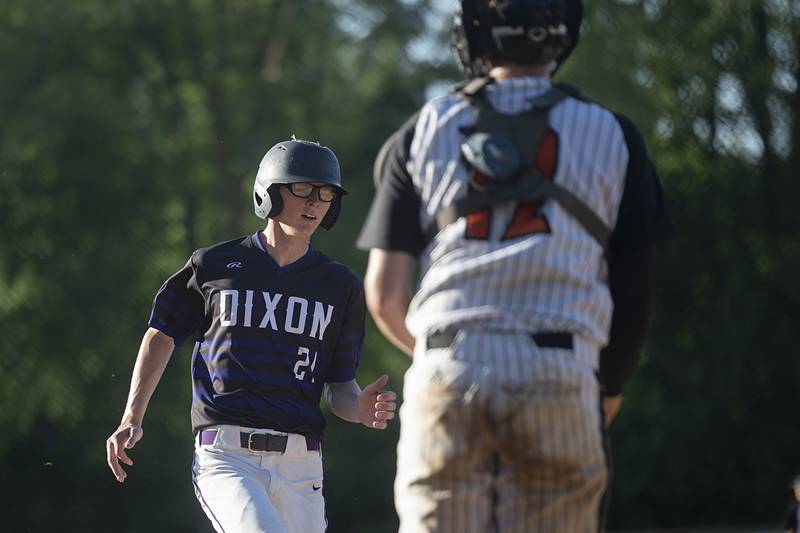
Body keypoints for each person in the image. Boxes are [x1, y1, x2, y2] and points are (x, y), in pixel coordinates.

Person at [357, 1, 674, 531]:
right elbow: (634, 293)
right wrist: (609, 386)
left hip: (448, 362)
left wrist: (455, 357)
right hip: (559, 365)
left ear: (476, 34)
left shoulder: (424, 127)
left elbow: (385, 295)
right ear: (562, 33)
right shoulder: (614, 133)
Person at [106, 139, 397, 533]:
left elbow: (340, 386)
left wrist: (358, 408)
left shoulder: (340, 286)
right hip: (228, 456)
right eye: (302, 189)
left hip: (302, 464)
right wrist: (132, 415)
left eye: (325, 193)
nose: (314, 202)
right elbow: (162, 334)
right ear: (270, 192)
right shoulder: (215, 265)